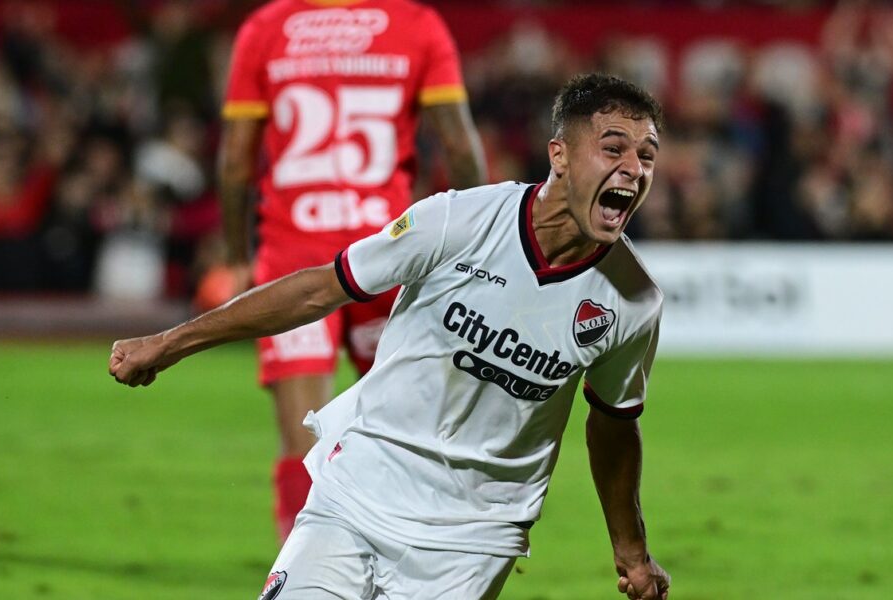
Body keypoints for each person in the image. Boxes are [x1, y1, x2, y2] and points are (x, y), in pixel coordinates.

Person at [111, 73, 669, 600]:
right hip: (356, 492)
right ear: (561, 156)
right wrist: (169, 344)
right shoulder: (459, 221)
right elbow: (318, 290)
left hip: (473, 539)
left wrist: (632, 551)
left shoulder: (633, 299)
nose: (633, 168)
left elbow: (614, 423)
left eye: (647, 156)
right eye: (613, 148)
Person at [217, 0, 487, 541]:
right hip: (388, 255)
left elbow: (235, 164)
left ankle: (301, 585)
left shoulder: (266, 29)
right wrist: (479, 248)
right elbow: (458, 147)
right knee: (404, 436)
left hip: (294, 257)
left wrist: (236, 256)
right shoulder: (415, 24)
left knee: (303, 444)